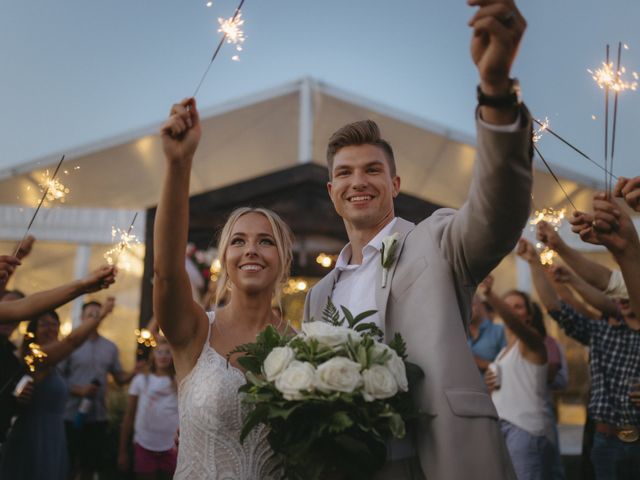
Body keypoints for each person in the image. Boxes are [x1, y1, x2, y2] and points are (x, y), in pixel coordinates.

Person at [303, 0, 530, 477]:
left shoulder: (438, 241)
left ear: (395, 184)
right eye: (344, 173)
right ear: (331, 192)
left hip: (437, 458)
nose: (358, 181)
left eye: (372, 170)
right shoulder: (319, 295)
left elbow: (499, 212)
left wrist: (495, 93)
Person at [154, 96, 294, 479]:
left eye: (266, 241)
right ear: (225, 260)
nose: (252, 249)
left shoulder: (304, 347)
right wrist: (178, 164)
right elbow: (166, 273)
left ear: (283, 260)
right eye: (238, 241)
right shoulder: (195, 331)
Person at [521, 237, 640, 479]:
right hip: (605, 439)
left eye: (629, 293)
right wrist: (534, 263)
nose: (625, 299)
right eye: (621, 295)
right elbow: (557, 308)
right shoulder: (601, 330)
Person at [0, 266, 117, 480]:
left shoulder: (52, 361)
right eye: (44, 323)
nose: (50, 328)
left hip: (54, 434)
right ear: (32, 330)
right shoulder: (34, 358)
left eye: (55, 324)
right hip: (32, 436)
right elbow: (72, 341)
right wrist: (100, 314)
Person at [481, 278, 554, 480]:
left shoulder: (534, 343)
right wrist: (489, 384)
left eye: (518, 306)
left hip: (525, 430)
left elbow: (515, 323)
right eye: (508, 306)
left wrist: (490, 295)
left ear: (529, 316)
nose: (512, 310)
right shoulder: (503, 351)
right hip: (501, 428)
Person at [60, 298, 136, 480]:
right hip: (70, 415)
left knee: (90, 464)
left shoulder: (110, 347)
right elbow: (58, 378)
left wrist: (136, 371)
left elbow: (119, 379)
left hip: (97, 417)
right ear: (81, 317)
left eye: (97, 314)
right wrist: (79, 390)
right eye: (90, 315)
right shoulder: (69, 344)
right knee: (68, 464)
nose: (94, 318)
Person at [118, 337, 179, 480]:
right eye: (159, 352)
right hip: (144, 443)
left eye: (167, 352)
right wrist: (122, 451)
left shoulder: (179, 381)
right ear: (153, 355)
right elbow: (129, 416)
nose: (163, 356)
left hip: (173, 447)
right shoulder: (140, 380)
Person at [468, 294, 506, 372]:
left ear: (480, 304)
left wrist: (483, 363)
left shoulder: (499, 331)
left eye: (471, 304)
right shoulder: (459, 336)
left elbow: (510, 369)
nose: (467, 309)